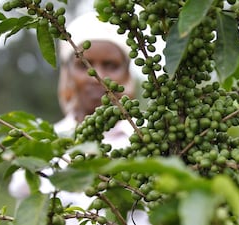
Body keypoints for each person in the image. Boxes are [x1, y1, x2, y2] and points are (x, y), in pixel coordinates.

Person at [9, 12, 150, 225]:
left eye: (110, 65)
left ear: (127, 74)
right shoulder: (42, 146)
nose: (97, 76)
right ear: (67, 74)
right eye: (84, 65)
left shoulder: (149, 141)